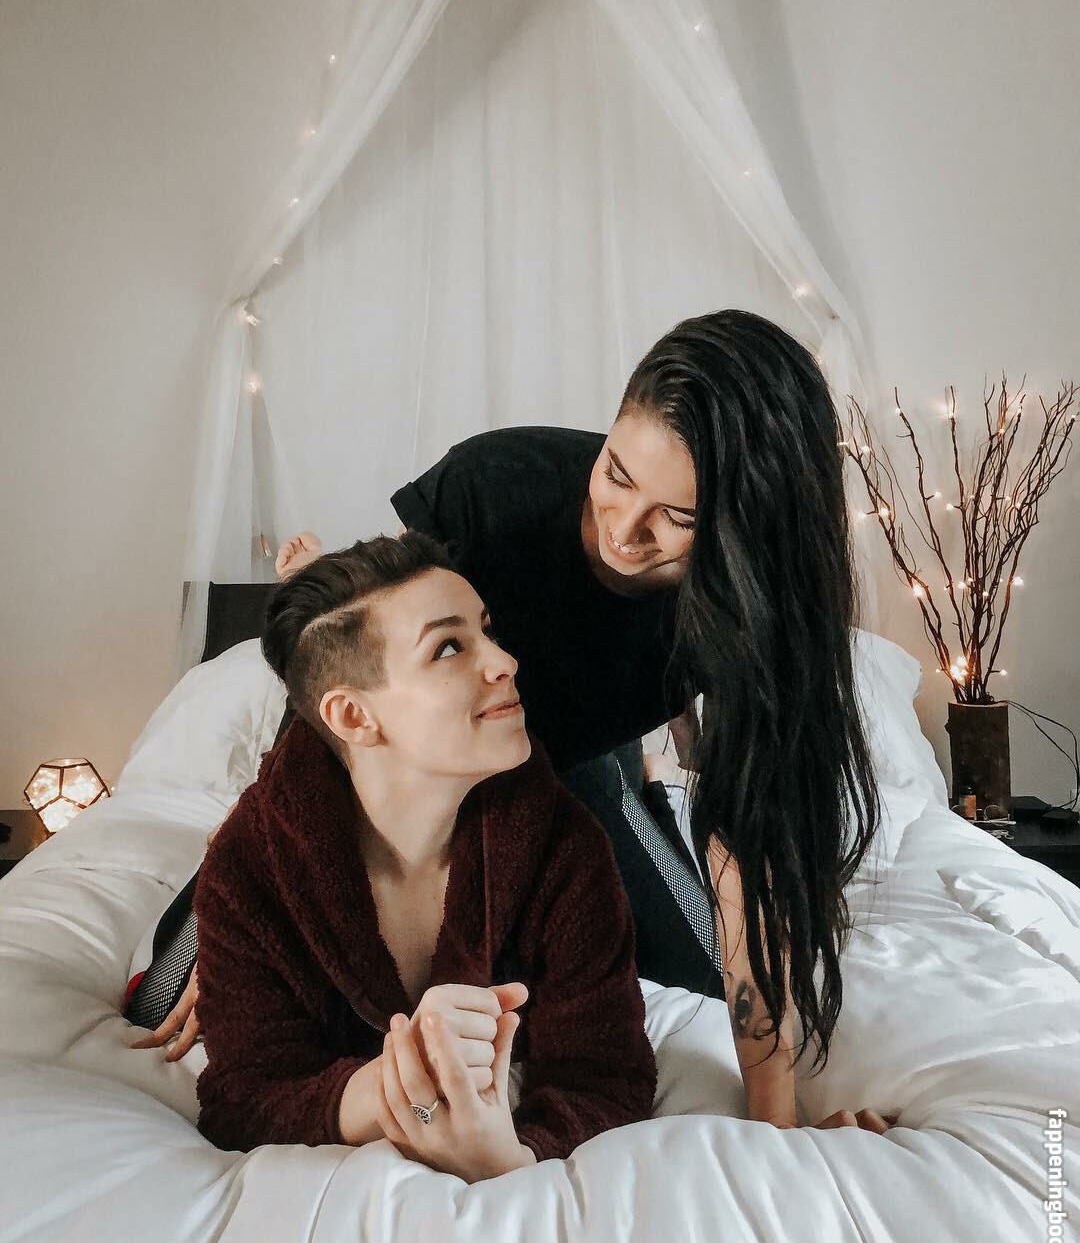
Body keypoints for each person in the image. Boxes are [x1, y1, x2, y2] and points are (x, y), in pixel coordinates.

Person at [134, 308, 896, 1135]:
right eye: (616, 474)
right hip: (421, 767)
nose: (624, 531)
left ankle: (641, 797)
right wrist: (274, 894)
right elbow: (362, 669)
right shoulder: (498, 485)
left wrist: (778, 1128)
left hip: (568, 768)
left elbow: (751, 849)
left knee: (707, 974)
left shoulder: (748, 618)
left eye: (676, 519)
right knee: (166, 997)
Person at [191, 533, 657, 1176]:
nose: (505, 661)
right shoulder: (248, 872)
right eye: (448, 647)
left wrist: (512, 1155)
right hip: (213, 902)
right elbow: (243, 1098)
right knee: (162, 986)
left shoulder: (562, 845)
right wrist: (392, 1085)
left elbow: (607, 1077)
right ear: (354, 716)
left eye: (486, 631)